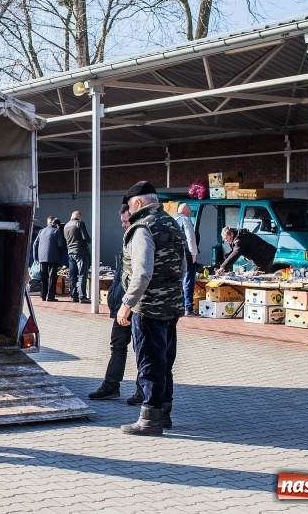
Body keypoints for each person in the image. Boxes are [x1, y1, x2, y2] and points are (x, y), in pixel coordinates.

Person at [116, 181, 184, 435]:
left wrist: (127, 304)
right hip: (172, 303)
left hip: (149, 306)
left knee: (149, 361)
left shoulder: (143, 227)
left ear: (137, 203)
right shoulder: (172, 224)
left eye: (131, 207)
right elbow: (184, 265)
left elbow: (142, 272)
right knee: (164, 359)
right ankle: (164, 412)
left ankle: (150, 418)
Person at [88, 204, 144, 404]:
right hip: (122, 304)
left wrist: (128, 304)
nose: (122, 225)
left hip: (136, 306)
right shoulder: (129, 238)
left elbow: (141, 276)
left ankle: (142, 390)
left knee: (141, 349)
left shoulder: (142, 237)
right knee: (117, 345)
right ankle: (111, 386)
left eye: (125, 221)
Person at [174, 203, 199, 316]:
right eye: (189, 213)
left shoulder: (171, 219)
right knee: (189, 278)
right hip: (186, 253)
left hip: (173, 254)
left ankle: (178, 306)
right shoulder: (185, 219)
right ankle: (188, 307)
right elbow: (190, 237)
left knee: (177, 279)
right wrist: (194, 253)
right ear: (186, 211)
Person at [33, 216, 65, 302]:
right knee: (52, 277)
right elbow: (60, 245)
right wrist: (62, 252)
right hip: (53, 257)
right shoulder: (57, 231)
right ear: (57, 225)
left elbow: (35, 244)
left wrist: (36, 257)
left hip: (42, 257)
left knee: (44, 277)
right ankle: (50, 297)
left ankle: (43, 295)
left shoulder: (41, 231)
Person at [63, 211, 92, 303]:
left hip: (70, 253)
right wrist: (90, 240)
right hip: (80, 252)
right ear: (79, 217)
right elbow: (85, 237)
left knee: (72, 275)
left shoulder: (66, 225)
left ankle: (73, 295)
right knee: (82, 274)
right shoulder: (79, 223)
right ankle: (82, 296)